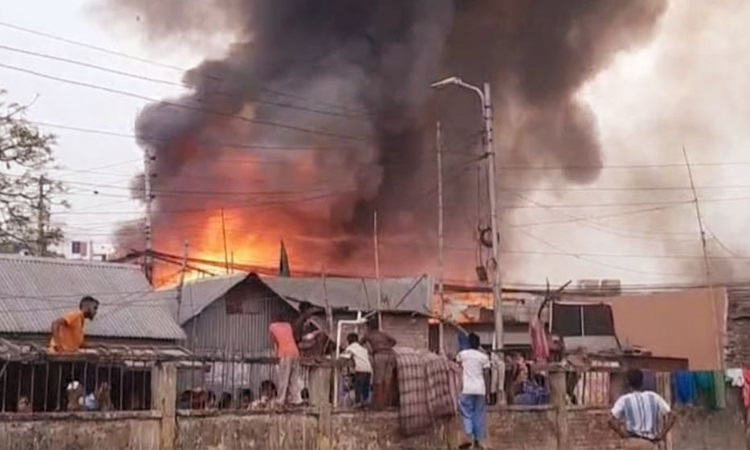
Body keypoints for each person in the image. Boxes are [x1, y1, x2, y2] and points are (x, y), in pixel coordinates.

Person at [609, 368, 676, 449]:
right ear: (642, 381)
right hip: (649, 443)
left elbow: (610, 420)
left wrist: (623, 434)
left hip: (632, 442)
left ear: (628, 382)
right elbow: (672, 416)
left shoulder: (624, 400)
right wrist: (661, 435)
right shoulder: (654, 397)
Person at [456, 333, 490, 450]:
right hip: (480, 389)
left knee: (466, 413)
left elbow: (458, 369)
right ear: (479, 344)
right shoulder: (483, 357)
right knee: (479, 415)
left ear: (468, 343)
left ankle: (468, 438)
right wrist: (488, 391)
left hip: (467, 388)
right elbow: (486, 375)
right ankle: (478, 441)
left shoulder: (462, 355)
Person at [361, 318, 398, 410]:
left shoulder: (369, 334)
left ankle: (379, 405)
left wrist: (372, 349)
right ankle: (384, 404)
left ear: (369, 327)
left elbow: (360, 342)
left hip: (380, 355)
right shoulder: (383, 334)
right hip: (391, 355)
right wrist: (387, 346)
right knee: (387, 381)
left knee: (378, 381)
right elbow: (394, 341)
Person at [269, 313, 303, 407]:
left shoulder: (272, 327)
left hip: (284, 353)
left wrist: (275, 354)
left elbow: (274, 341)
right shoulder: (288, 325)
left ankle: (281, 400)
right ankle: (296, 400)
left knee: (283, 377)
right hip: (295, 353)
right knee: (294, 378)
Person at [342, 332, 373, 406]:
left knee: (358, 387)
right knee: (365, 388)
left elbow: (345, 358)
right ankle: (365, 402)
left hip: (360, 370)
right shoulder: (362, 348)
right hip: (368, 370)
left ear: (349, 341)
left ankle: (358, 403)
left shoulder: (350, 348)